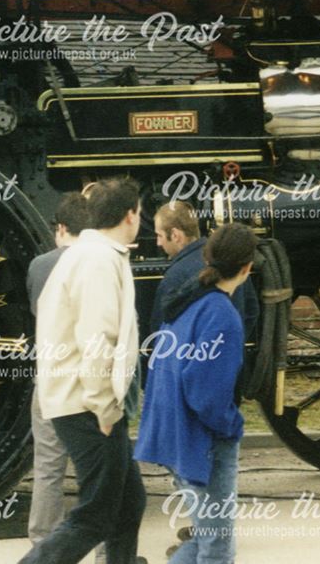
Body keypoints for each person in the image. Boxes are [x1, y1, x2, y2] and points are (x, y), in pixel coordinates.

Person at [20, 178, 146, 564]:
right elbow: (97, 339)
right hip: (87, 405)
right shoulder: (99, 260)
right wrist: (104, 408)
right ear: (130, 215)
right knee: (95, 515)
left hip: (79, 402)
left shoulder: (93, 253)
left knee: (129, 503)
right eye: (140, 212)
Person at [135, 222, 258, 564]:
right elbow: (206, 395)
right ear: (248, 268)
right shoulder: (223, 315)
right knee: (217, 549)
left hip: (173, 433)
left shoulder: (188, 301)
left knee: (203, 539)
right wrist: (232, 425)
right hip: (205, 441)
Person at [25, 192, 103, 564]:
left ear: (60, 228)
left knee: (48, 466)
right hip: (87, 379)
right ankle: (105, 547)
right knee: (99, 469)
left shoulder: (39, 265)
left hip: (50, 377)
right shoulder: (99, 263)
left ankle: (44, 544)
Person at [151, 201, 259, 356]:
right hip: (232, 362)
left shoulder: (175, 276)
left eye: (159, 235)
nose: (158, 242)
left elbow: (160, 332)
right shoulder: (228, 257)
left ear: (175, 235)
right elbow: (251, 310)